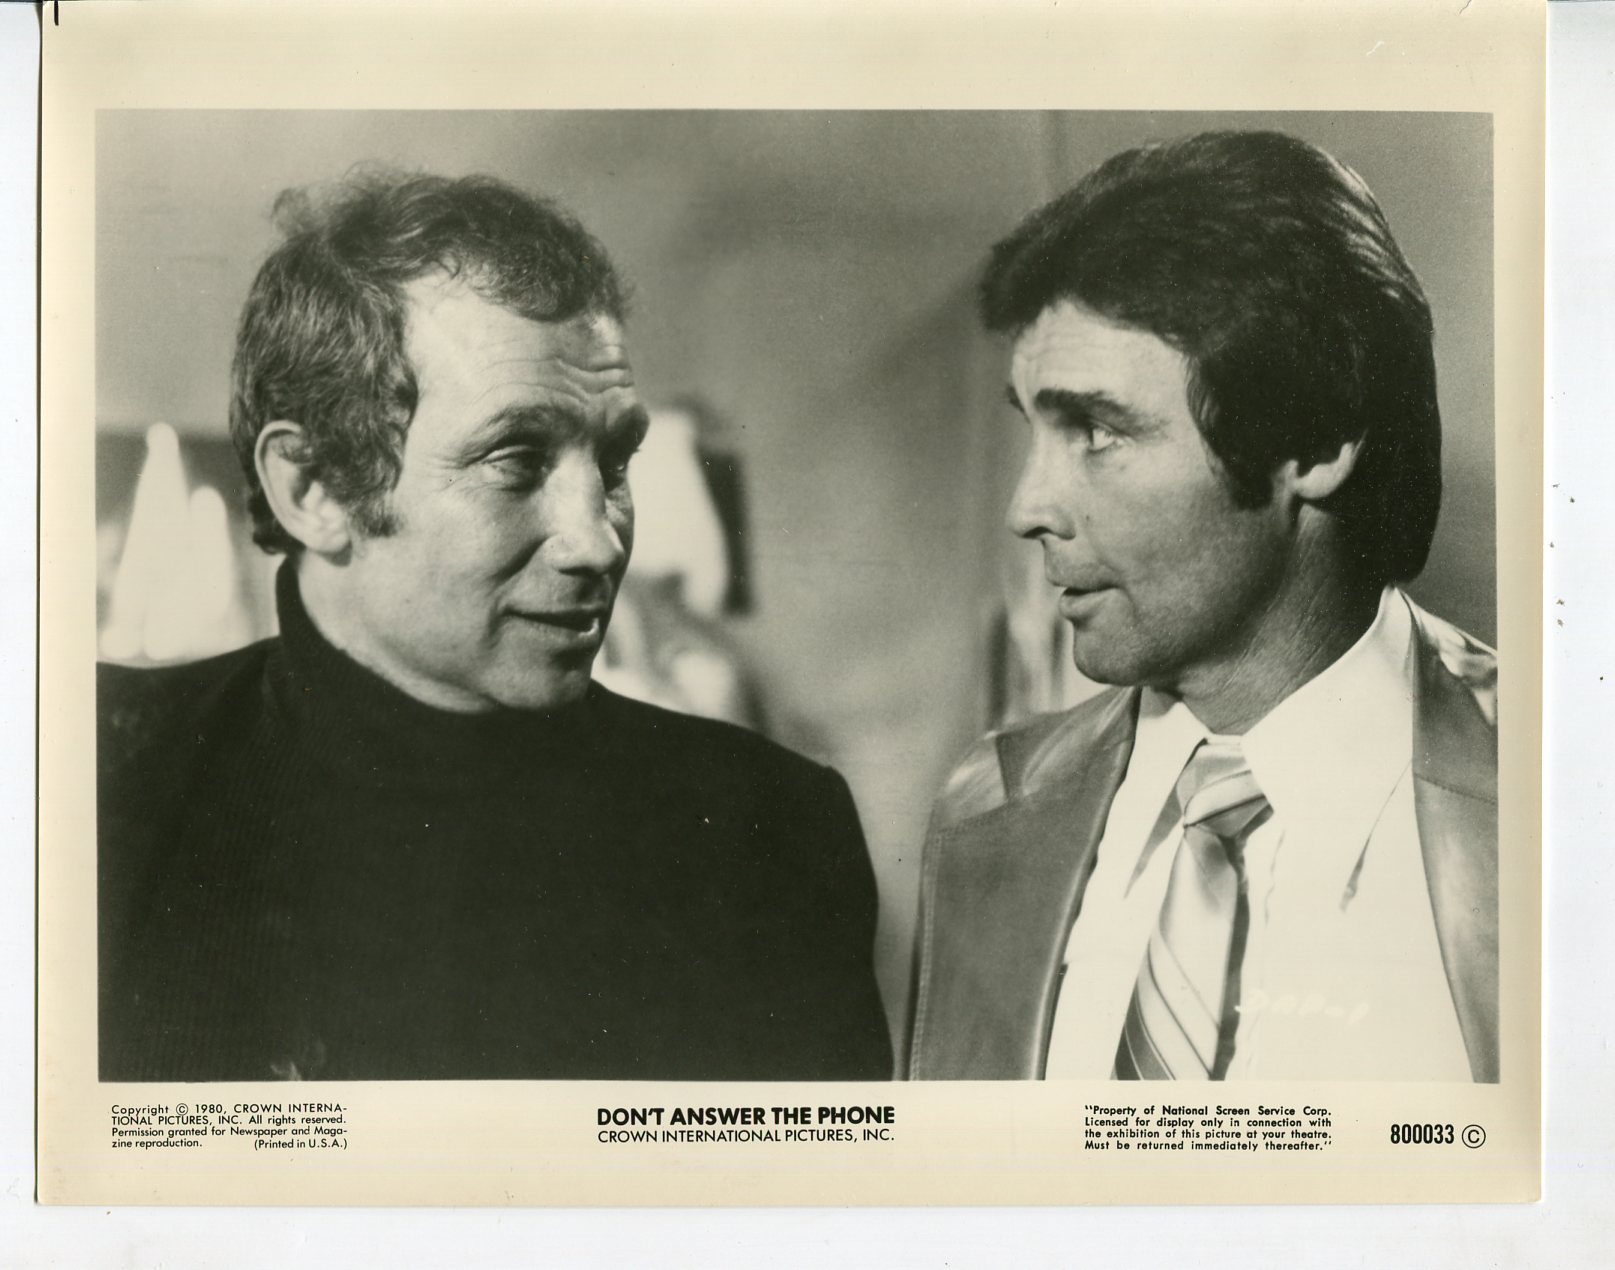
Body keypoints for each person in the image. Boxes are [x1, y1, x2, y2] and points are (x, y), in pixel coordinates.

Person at [98, 171, 892, 1082]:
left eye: (613, 462)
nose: (598, 542)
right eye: (516, 460)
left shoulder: (767, 830)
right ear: (313, 488)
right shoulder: (94, 777)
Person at [908, 131, 1497, 1083]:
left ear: (1315, 440)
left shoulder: (1558, 801)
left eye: (1095, 430)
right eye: (1035, 431)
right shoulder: (987, 810)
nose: (1026, 507)